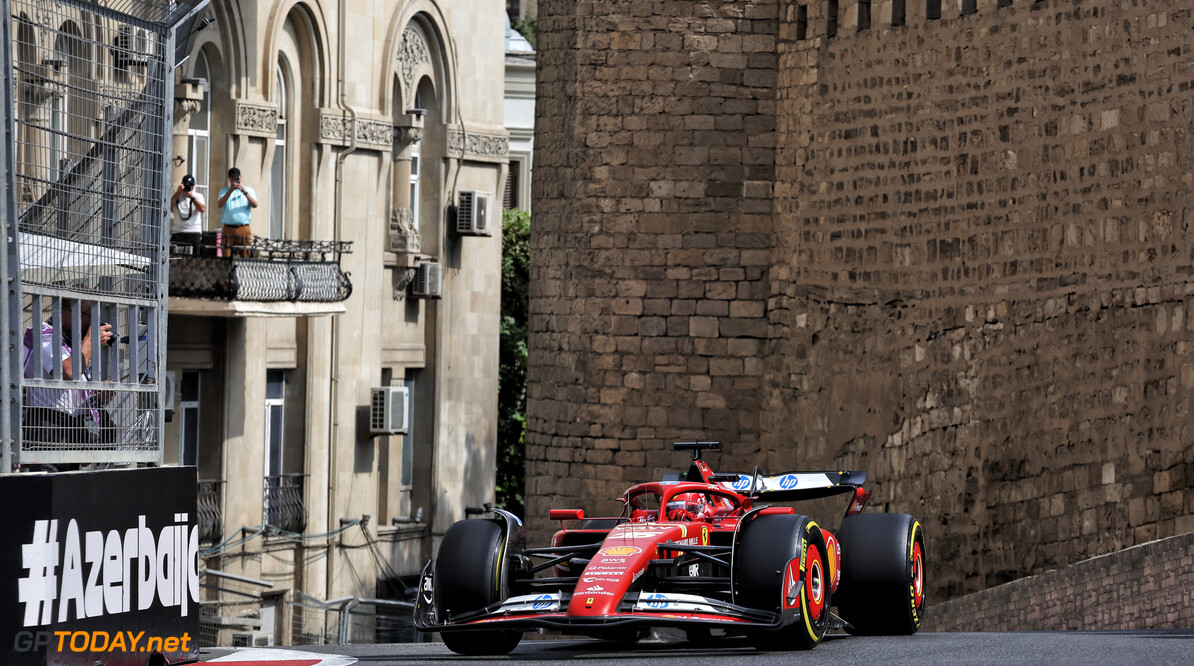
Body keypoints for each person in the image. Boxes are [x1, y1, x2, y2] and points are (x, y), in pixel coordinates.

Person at [22, 300, 114, 453]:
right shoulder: (43, 334)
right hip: (48, 425)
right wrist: (91, 341)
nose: (93, 324)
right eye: (89, 316)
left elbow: (71, 386)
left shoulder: (69, 341)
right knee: (50, 476)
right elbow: (69, 371)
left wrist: (96, 395)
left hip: (73, 427)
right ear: (66, 312)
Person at [216, 167, 258, 257]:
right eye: (232, 178)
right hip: (228, 229)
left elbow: (255, 204)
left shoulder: (249, 190)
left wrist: (244, 192)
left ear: (240, 177)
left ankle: (244, 271)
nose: (235, 180)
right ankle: (227, 270)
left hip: (243, 228)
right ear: (229, 178)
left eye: (237, 178)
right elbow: (220, 204)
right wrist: (231, 190)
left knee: (245, 255)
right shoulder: (224, 191)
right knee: (226, 255)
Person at [170, 174, 206, 256]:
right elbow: (169, 206)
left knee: (195, 258)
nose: (189, 187)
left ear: (194, 186)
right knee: (175, 257)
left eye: (191, 185)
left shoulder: (198, 196)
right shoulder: (176, 196)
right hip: (178, 231)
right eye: (186, 184)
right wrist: (178, 192)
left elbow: (202, 209)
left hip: (194, 231)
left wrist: (192, 197)